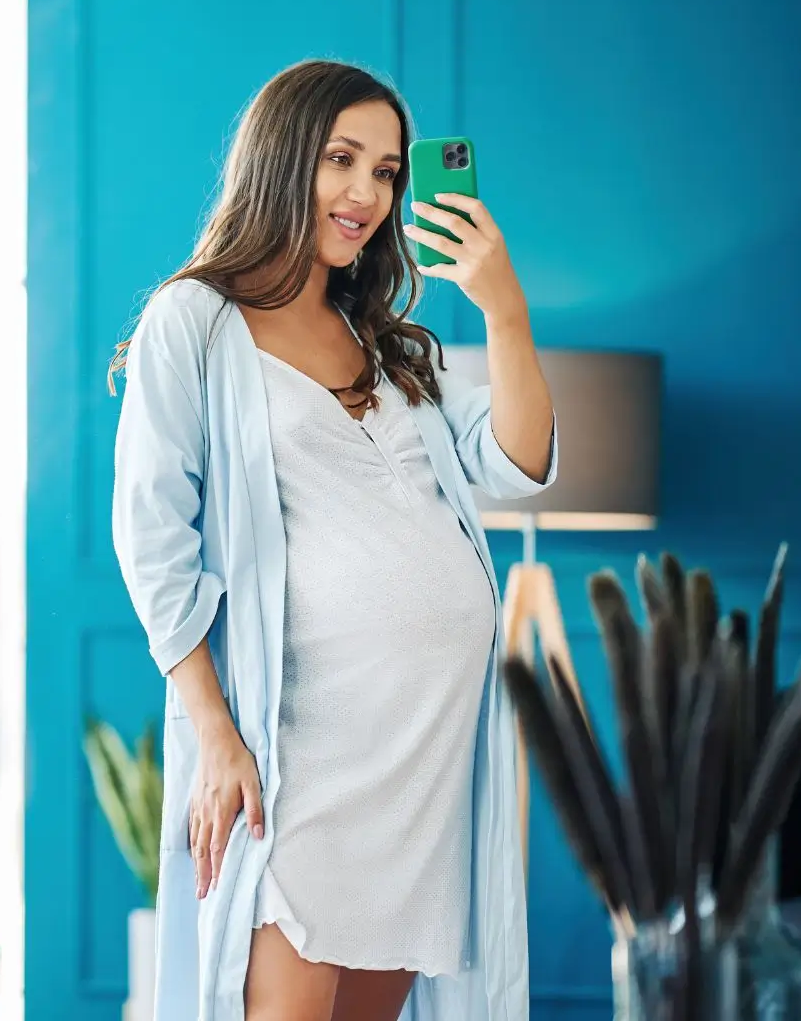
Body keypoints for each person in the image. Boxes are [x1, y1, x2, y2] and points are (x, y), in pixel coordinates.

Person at [109, 59, 557, 1021]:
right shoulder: (194, 322)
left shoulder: (387, 341)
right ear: (282, 159)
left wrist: (503, 305)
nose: (367, 193)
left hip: (420, 770)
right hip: (297, 758)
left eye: (389, 171)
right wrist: (216, 735)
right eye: (341, 159)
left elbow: (516, 462)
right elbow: (153, 540)